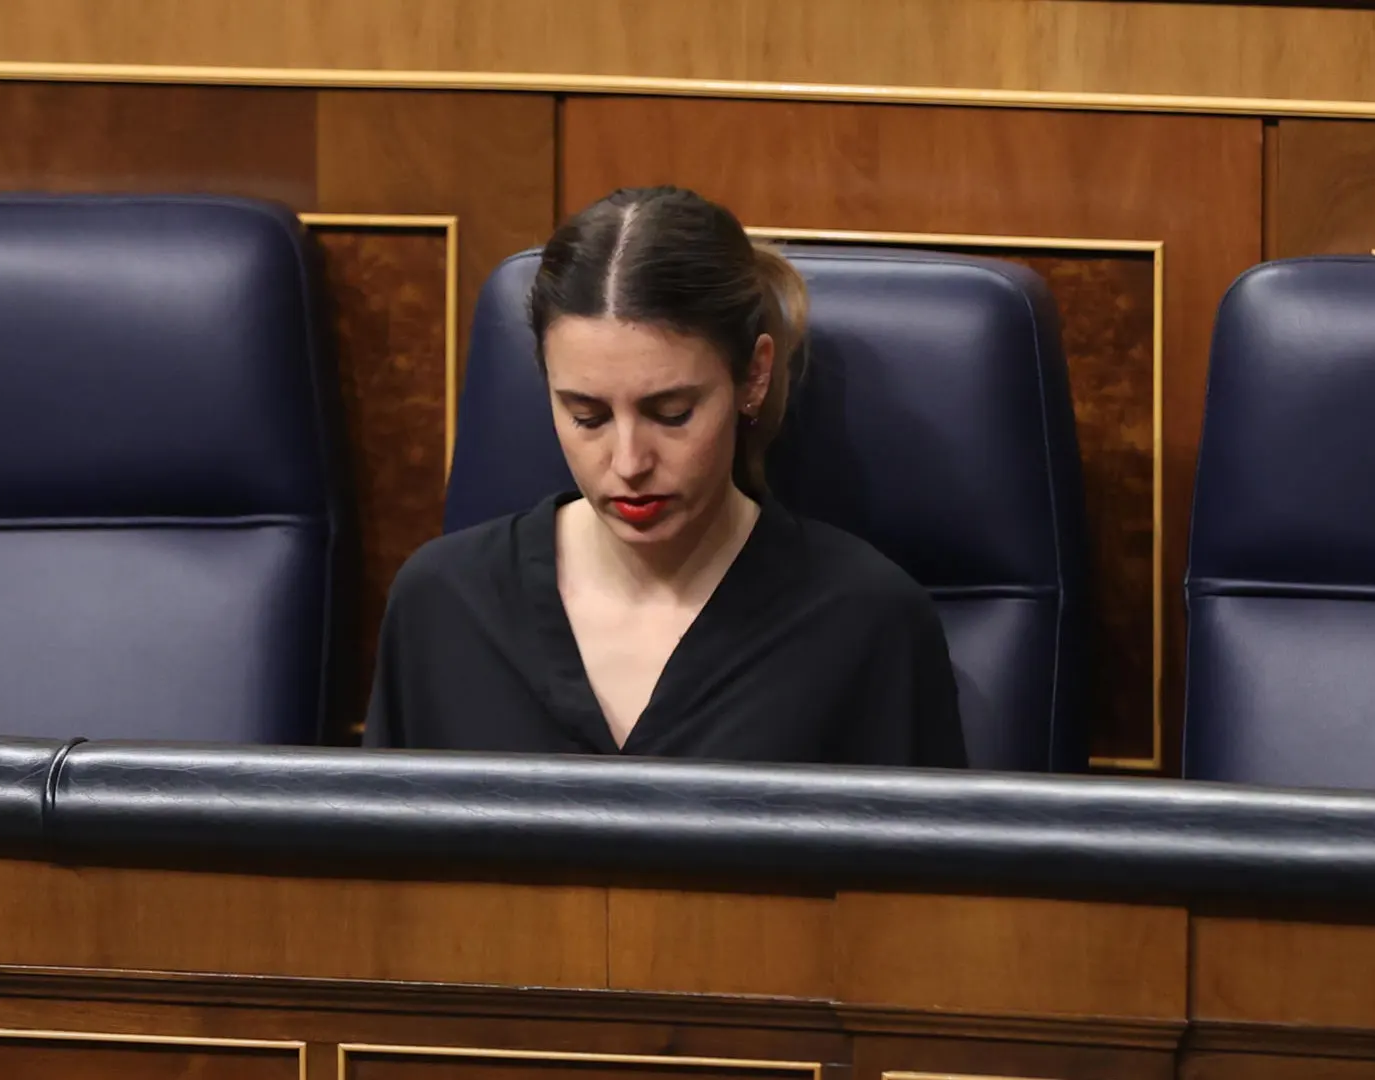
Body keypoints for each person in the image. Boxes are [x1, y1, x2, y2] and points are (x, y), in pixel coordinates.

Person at [362, 186, 966, 767]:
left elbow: (918, 869)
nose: (629, 464)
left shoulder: (867, 623)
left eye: (672, 414)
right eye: (587, 416)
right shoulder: (441, 605)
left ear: (753, 376)